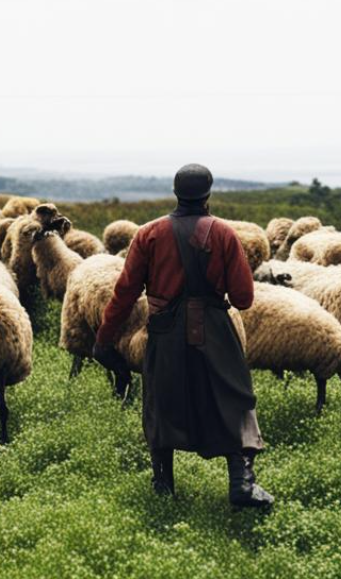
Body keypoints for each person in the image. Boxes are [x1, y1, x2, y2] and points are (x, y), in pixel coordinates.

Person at [92, 163, 274, 508]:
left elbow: (125, 292)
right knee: (233, 398)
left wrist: (104, 338)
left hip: (164, 331)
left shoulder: (148, 234)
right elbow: (243, 299)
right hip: (215, 331)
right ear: (208, 194)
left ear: (176, 193)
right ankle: (242, 482)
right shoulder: (223, 234)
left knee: (162, 402)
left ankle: (163, 485)